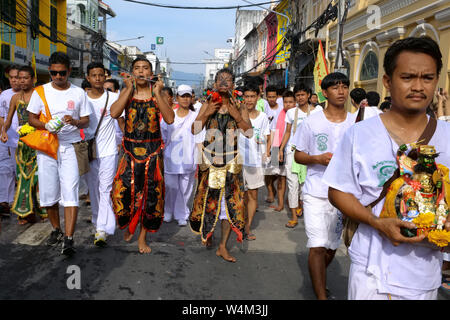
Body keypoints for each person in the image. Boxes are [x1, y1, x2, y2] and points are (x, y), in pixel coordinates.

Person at [323, 36, 450, 299]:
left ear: (437, 81)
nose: (418, 86)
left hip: (423, 273)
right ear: (387, 82)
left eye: (427, 78)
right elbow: (337, 191)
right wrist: (377, 223)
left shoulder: (447, 136)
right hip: (370, 271)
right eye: (407, 77)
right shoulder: (359, 134)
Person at [294, 72, 356, 300]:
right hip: (316, 192)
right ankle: (321, 295)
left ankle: (317, 277)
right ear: (325, 92)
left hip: (343, 195)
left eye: (344, 86)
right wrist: (317, 159)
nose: (341, 91)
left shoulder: (355, 123)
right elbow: (298, 155)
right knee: (318, 246)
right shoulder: (312, 122)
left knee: (331, 247)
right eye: (335, 87)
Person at [27, 51, 91, 256]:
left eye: (62, 73)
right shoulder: (40, 92)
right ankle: (56, 230)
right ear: (50, 71)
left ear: (69, 71)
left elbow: (86, 120)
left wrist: (75, 122)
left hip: (70, 146)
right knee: (48, 193)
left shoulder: (78, 93)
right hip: (48, 147)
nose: (58, 77)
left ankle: (69, 238)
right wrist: (46, 125)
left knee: (70, 191)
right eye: (54, 73)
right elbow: (31, 119)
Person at [110, 56, 174, 254]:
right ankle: (129, 223)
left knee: (151, 196)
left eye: (145, 68)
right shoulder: (127, 93)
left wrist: (158, 92)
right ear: (132, 72)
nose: (140, 72)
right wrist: (128, 89)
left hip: (152, 153)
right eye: (137, 68)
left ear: (151, 73)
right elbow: (113, 113)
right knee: (123, 191)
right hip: (129, 152)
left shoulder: (158, 94)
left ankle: (142, 237)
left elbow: (170, 118)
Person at [190, 68, 252, 262]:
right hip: (210, 161)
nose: (225, 83)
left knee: (229, 205)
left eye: (229, 80)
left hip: (232, 162)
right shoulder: (208, 102)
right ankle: (208, 233)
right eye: (221, 80)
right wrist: (207, 113)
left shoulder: (239, 104)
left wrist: (237, 116)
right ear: (215, 84)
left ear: (233, 84)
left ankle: (223, 246)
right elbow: (194, 129)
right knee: (209, 200)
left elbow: (249, 132)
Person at [1, 66, 46, 224]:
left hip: (39, 141)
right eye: (19, 78)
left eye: (25, 78)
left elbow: (45, 119)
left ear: (32, 79)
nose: (21, 81)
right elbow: (7, 120)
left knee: (38, 177)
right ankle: (25, 212)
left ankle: (40, 209)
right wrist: (4, 131)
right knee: (22, 177)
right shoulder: (15, 98)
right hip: (22, 143)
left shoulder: (39, 95)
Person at [84, 62, 119, 246]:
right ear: (88, 78)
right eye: (93, 75)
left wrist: (123, 143)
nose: (97, 78)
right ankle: (99, 221)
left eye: (100, 75)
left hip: (109, 151)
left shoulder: (114, 97)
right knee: (93, 189)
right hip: (88, 151)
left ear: (105, 77)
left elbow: (120, 122)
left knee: (105, 189)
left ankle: (102, 229)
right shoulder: (82, 98)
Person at [279, 83, 322, 228]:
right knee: (292, 185)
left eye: (302, 94)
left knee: (306, 184)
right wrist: (280, 149)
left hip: (310, 153)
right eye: (297, 95)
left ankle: (304, 208)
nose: (300, 97)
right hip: (292, 151)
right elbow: (287, 132)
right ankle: (293, 216)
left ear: (309, 95)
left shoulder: (318, 111)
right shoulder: (291, 113)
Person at [161, 84, 198, 226]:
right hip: (171, 158)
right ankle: (168, 210)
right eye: (182, 96)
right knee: (171, 186)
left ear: (191, 98)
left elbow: (199, 138)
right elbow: (163, 136)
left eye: (188, 96)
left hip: (189, 158)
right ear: (177, 98)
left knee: (185, 188)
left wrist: (199, 159)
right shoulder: (169, 115)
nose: (185, 99)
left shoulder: (196, 116)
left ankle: (182, 213)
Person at [239, 83, 270, 241]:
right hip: (237, 161)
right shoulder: (236, 114)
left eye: (252, 96)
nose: (249, 100)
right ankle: (237, 223)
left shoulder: (263, 117)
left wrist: (267, 152)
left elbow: (268, 136)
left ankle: (247, 227)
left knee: (252, 195)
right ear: (242, 98)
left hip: (255, 161)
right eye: (246, 96)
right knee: (239, 196)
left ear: (258, 98)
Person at [269, 90, 296, 212]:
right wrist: (273, 152)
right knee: (281, 178)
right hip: (279, 149)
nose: (288, 104)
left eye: (291, 102)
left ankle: (294, 203)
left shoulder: (298, 115)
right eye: (286, 102)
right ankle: (280, 204)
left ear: (295, 102)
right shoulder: (279, 115)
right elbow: (274, 132)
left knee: (293, 180)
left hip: (293, 150)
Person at [0, 65, 21, 218]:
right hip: (6, 139)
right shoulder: (4, 95)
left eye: (17, 77)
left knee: (20, 173)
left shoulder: (29, 95)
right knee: (5, 170)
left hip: (25, 140)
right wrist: (3, 131)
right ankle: (4, 202)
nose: (14, 80)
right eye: (12, 77)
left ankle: (24, 205)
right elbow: (1, 116)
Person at [263, 85, 283, 204]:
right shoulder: (264, 108)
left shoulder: (281, 108)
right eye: (269, 97)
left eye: (273, 97)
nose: (271, 99)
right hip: (265, 140)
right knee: (266, 171)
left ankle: (276, 190)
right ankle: (270, 191)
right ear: (266, 97)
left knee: (277, 170)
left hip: (277, 140)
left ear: (277, 97)